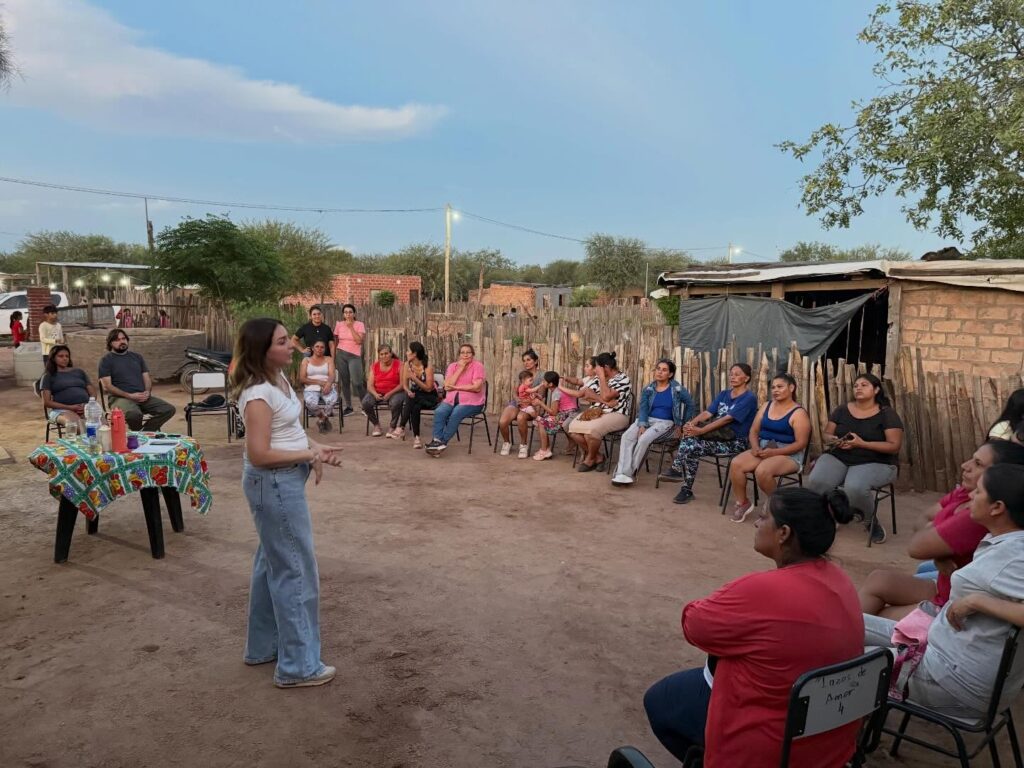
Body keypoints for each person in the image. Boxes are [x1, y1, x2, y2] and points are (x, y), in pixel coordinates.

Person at [644, 487, 861, 767]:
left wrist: (731, 596)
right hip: (825, 737)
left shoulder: (763, 590)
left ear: (783, 533)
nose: (757, 523)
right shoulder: (840, 580)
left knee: (660, 700)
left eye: (763, 517)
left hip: (770, 742)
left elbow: (693, 624)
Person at [231, 317, 342, 688]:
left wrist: (314, 446)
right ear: (262, 351)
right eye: (282, 342)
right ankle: (298, 666)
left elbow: (289, 429)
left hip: (283, 481)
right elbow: (259, 454)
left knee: (272, 563)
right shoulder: (257, 395)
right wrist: (306, 456)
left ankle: (264, 646)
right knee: (295, 569)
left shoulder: (277, 379)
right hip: (275, 484)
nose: (291, 346)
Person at [871, 464, 1024, 722]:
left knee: (851, 662)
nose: (971, 496)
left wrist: (977, 601)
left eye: (978, 492)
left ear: (997, 507)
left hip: (954, 683)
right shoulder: (1005, 543)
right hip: (942, 653)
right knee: (849, 625)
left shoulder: (1013, 557)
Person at [860, 440, 1024, 626]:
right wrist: (940, 551)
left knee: (874, 618)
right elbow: (922, 519)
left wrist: (936, 539)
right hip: (945, 586)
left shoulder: (976, 517)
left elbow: (916, 547)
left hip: (950, 603)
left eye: (978, 464)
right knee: (878, 580)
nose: (965, 465)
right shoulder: (967, 495)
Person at [804, 373, 904, 544]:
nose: (858, 388)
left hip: (876, 461)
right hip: (840, 456)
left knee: (855, 487)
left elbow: (894, 446)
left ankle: (869, 520)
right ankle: (829, 516)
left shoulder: (887, 414)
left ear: (876, 390)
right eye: (856, 385)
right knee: (817, 481)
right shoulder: (842, 410)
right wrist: (835, 440)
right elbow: (827, 434)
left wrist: (862, 444)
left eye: (864, 385)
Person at [660, 363, 758, 505]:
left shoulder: (749, 398)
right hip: (718, 436)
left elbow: (727, 419)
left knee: (692, 446)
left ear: (747, 378)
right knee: (690, 440)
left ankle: (681, 478)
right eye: (731, 374)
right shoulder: (724, 394)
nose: (732, 377)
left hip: (735, 442)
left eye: (737, 374)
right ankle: (682, 480)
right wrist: (691, 424)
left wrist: (701, 430)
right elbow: (708, 413)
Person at [726, 373, 811, 522]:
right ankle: (743, 503)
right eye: (773, 387)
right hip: (764, 448)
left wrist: (774, 452)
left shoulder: (799, 413)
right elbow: (754, 430)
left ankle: (775, 506)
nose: (775, 390)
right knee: (736, 463)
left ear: (791, 388)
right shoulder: (767, 405)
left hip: (788, 453)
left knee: (763, 471)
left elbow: (801, 443)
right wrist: (755, 447)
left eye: (780, 387)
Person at [611, 359, 696, 485]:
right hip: (646, 419)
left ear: (670, 374)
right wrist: (642, 424)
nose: (660, 372)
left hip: (665, 422)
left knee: (643, 439)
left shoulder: (677, 389)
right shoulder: (649, 389)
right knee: (626, 437)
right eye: (658, 369)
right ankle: (621, 473)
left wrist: (682, 424)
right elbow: (643, 408)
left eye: (664, 370)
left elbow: (690, 404)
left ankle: (630, 474)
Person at [97, 329, 176, 431]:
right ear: (110, 343)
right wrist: (129, 396)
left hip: (141, 397)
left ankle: (145, 432)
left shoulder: (137, 357)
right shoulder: (106, 360)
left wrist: (147, 392)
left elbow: (147, 378)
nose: (122, 341)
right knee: (134, 414)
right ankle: (137, 433)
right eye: (117, 340)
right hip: (120, 398)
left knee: (168, 409)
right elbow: (107, 386)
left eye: (123, 338)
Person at [567, 351, 632, 472]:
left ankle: (590, 459)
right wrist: (605, 401)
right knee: (573, 429)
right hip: (596, 411)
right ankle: (598, 457)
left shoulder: (623, 379)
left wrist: (602, 379)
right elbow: (586, 395)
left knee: (590, 432)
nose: (595, 370)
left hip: (617, 413)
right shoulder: (597, 378)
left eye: (597, 367)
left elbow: (606, 395)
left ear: (605, 367)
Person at [426, 343, 487, 456]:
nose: (465, 355)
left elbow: (476, 387)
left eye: (468, 352)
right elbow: (447, 386)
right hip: (451, 400)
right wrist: (461, 368)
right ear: (459, 355)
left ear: (473, 354)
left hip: (473, 402)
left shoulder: (478, 366)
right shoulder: (453, 366)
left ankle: (441, 443)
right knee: (440, 411)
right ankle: (437, 440)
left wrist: (456, 387)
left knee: (456, 413)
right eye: (462, 353)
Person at [497, 348, 546, 457]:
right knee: (503, 421)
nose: (526, 363)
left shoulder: (542, 375)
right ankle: (506, 442)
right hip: (518, 402)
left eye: (528, 360)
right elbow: (515, 391)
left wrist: (532, 401)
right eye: (524, 360)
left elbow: (541, 394)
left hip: (531, 404)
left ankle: (523, 445)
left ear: (536, 361)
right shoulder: (522, 374)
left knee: (520, 417)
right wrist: (517, 399)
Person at [40, 345, 96, 431]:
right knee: (76, 427)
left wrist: (88, 405)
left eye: (67, 356)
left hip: (85, 407)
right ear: (53, 358)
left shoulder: (79, 372)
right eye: (61, 356)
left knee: (102, 426)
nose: (65, 358)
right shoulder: (48, 376)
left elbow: (93, 393)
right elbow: (47, 402)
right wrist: (70, 407)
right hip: (62, 410)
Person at [397, 341, 438, 450]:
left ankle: (401, 427)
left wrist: (414, 378)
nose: (406, 352)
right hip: (415, 396)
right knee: (414, 404)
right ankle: (417, 438)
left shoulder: (427, 366)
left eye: (408, 351)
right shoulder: (407, 364)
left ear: (414, 354)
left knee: (413, 399)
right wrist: (408, 391)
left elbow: (428, 388)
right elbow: (405, 385)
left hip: (429, 397)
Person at [531, 372, 579, 461]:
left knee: (541, 422)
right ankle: (546, 448)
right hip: (567, 413)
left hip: (568, 415)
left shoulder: (556, 393)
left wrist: (540, 403)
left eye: (544, 381)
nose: (542, 382)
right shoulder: (557, 390)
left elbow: (553, 412)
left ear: (550, 384)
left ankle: (544, 450)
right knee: (541, 420)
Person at [362, 344, 407, 438]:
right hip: (377, 392)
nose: (384, 356)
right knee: (366, 403)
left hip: (396, 392)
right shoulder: (374, 366)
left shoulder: (399, 364)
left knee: (395, 402)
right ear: (379, 355)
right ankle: (376, 425)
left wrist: (390, 393)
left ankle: (392, 426)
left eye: (386, 353)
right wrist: (375, 394)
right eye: (381, 354)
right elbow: (369, 385)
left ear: (391, 353)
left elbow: (402, 384)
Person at [333, 303, 366, 416]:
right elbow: (336, 341)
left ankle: (365, 405)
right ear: (343, 314)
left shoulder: (359, 324)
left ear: (354, 314)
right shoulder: (339, 325)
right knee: (345, 382)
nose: (348, 314)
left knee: (357, 382)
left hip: (354, 356)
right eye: (346, 312)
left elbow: (359, 341)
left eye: (350, 312)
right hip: (341, 355)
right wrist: (334, 356)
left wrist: (351, 327)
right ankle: (349, 407)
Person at [298, 341, 338, 433]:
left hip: (327, 386)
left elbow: (332, 375)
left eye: (322, 347)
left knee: (332, 400)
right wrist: (319, 382)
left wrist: (328, 384)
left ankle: (322, 420)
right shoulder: (306, 360)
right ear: (312, 348)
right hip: (311, 388)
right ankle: (322, 417)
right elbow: (302, 379)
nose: (319, 349)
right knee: (310, 403)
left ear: (325, 349)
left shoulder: (329, 359)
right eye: (317, 346)